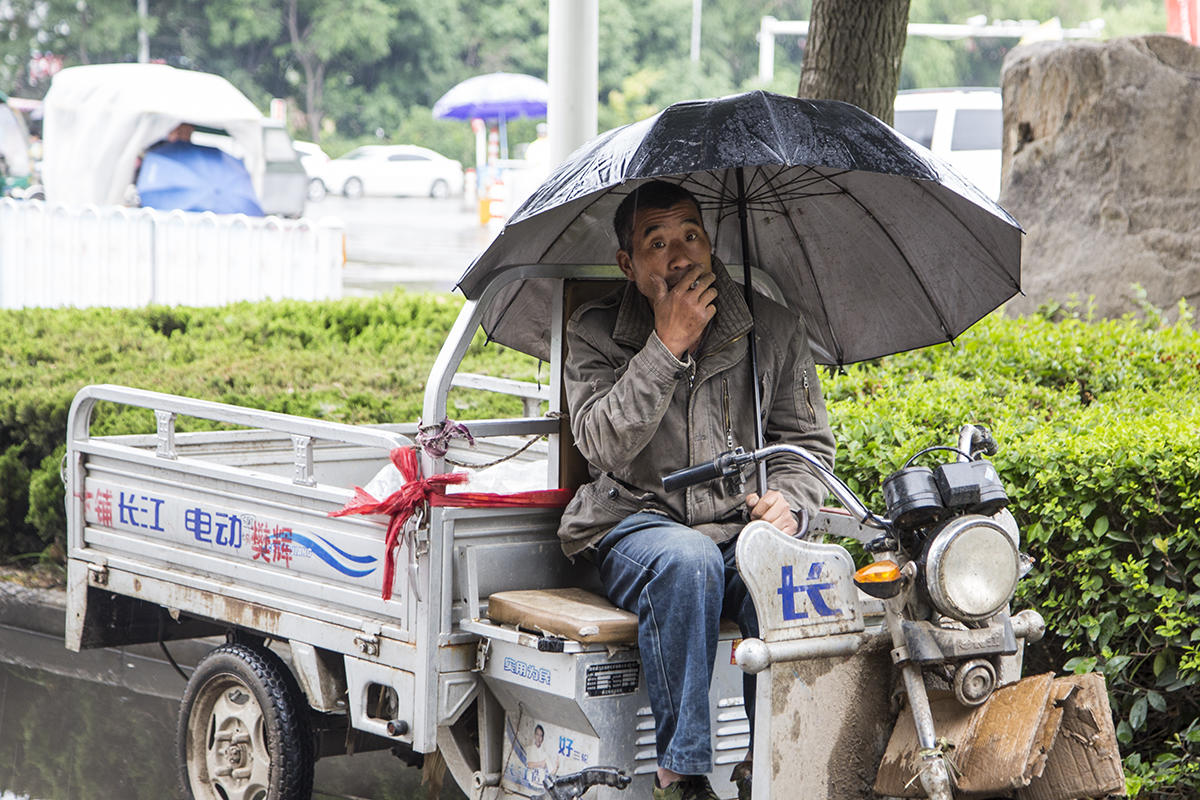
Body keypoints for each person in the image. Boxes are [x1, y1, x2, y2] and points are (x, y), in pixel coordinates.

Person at [557, 181, 836, 800]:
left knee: (793, 573)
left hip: (737, 526)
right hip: (631, 523)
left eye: (690, 234)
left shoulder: (773, 328)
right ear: (629, 265)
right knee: (690, 560)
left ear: (710, 242)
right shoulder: (595, 331)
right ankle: (681, 776)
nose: (679, 254)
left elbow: (808, 449)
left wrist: (789, 504)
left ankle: (772, 764)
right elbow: (599, 445)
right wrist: (666, 345)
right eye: (656, 243)